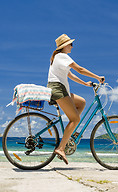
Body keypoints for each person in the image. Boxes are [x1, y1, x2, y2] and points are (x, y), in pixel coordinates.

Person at [47, 34, 105, 165]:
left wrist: (85, 83)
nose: (72, 46)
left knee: (82, 102)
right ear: (64, 46)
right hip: (58, 89)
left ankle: (70, 131)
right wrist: (97, 77)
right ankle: (61, 148)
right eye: (70, 44)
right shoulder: (62, 56)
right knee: (76, 119)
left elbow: (70, 75)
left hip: (60, 89)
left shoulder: (59, 58)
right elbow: (80, 69)